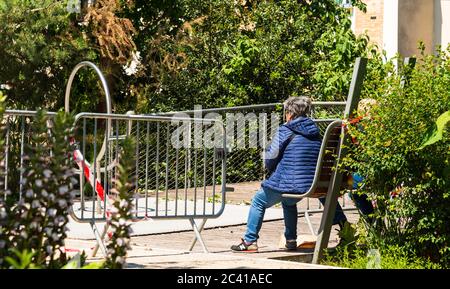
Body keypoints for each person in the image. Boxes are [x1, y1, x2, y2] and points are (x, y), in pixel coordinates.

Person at [231, 96, 322, 252]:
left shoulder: (285, 129)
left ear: (289, 113)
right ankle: (291, 239)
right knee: (288, 202)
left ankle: (249, 241)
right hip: (308, 184)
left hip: (287, 183)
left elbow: (270, 159)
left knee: (258, 201)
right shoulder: (315, 132)